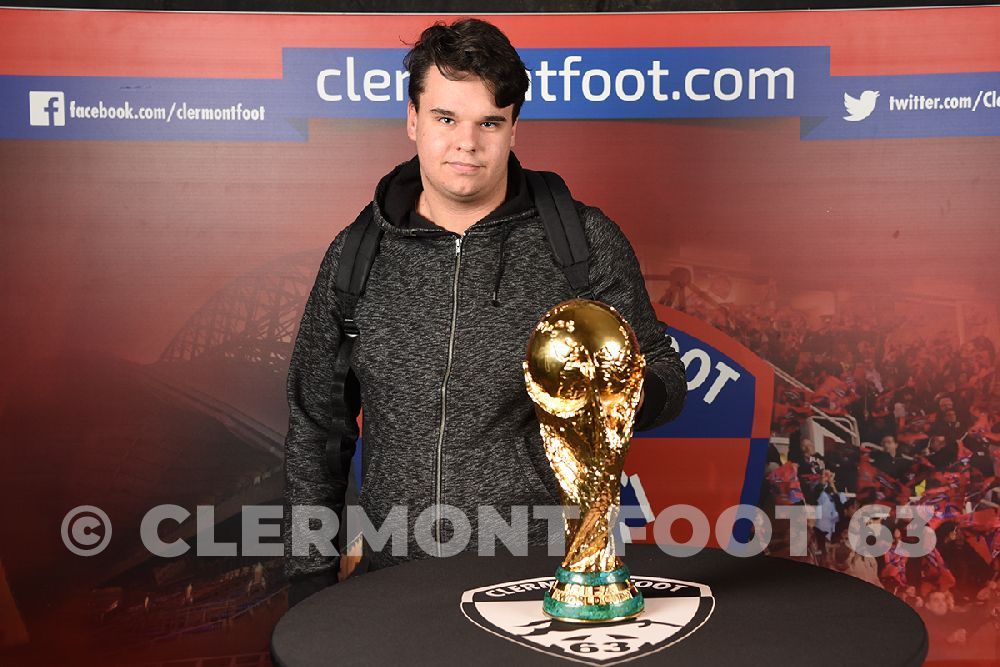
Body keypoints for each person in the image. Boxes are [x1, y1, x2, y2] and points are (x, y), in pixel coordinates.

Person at [281, 18, 687, 607]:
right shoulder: (355, 255)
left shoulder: (582, 243)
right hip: (395, 582)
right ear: (413, 120)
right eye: (446, 119)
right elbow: (316, 422)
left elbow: (667, 383)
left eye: (489, 123)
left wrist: (613, 395)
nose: (467, 143)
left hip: (543, 580)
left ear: (513, 128)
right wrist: (309, 574)